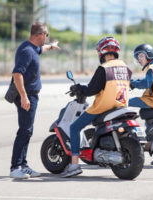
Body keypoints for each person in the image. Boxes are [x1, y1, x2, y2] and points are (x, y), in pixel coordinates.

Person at [60, 37, 132, 178]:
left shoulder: (103, 68)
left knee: (74, 127)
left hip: (104, 107)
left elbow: (92, 89)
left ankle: (74, 164)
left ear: (102, 51)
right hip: (121, 106)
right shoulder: (126, 68)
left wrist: (79, 88)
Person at [10, 22, 60, 179]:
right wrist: (24, 96)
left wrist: (51, 46)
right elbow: (17, 74)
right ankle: (15, 167)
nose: (47, 37)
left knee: (28, 131)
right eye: (47, 35)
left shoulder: (32, 48)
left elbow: (41, 49)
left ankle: (23, 165)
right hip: (27, 95)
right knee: (24, 131)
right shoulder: (26, 51)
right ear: (40, 34)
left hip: (31, 95)